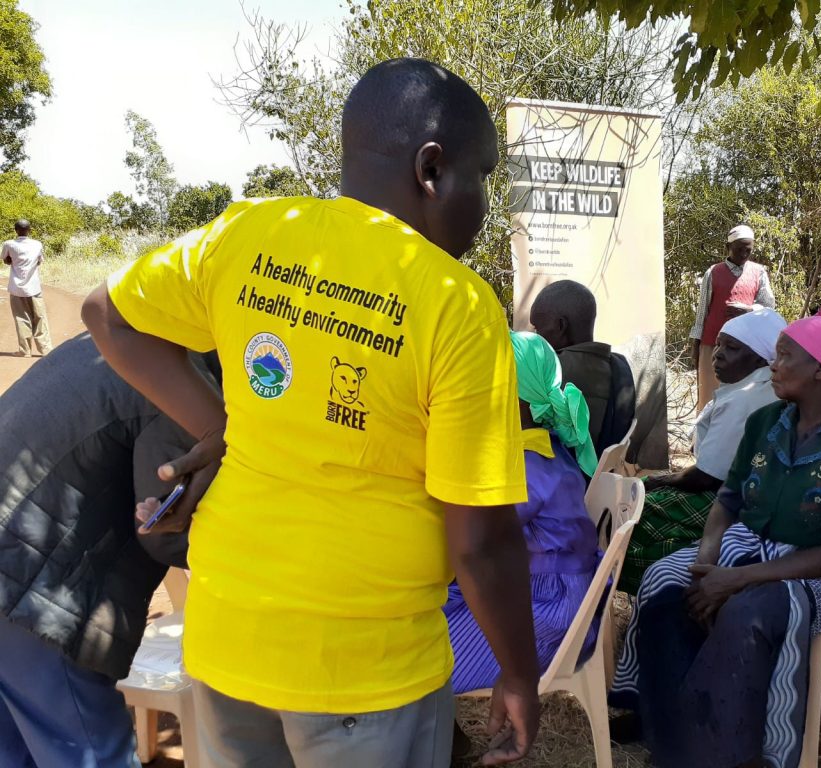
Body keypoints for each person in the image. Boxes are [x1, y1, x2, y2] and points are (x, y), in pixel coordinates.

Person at [82, 59, 540, 767]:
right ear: (433, 170)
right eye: (482, 178)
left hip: (228, 638)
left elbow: (107, 315)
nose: (482, 205)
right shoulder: (456, 304)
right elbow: (481, 542)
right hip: (367, 667)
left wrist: (222, 427)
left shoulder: (246, 233)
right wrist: (517, 674)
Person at [609, 316, 821, 768]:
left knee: (746, 611)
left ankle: (725, 750)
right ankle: (665, 721)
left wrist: (735, 579)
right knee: (665, 581)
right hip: (751, 543)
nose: (773, 366)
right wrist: (707, 561)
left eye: (785, 356)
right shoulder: (766, 421)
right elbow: (727, 499)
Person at [0, 333, 215, 767]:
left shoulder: (122, 339)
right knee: (88, 750)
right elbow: (163, 534)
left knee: (15, 748)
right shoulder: (183, 386)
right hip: (33, 588)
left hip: (17, 559)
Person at [445, 331, 599, 692]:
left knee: (422, 653)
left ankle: (439, 733)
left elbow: (476, 537)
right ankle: (448, 734)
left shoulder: (532, 468)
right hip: (535, 588)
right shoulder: (535, 449)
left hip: (547, 609)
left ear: (519, 401)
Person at [619, 308, 786, 594]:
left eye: (731, 348)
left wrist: (654, 481)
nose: (717, 354)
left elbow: (706, 477)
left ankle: (653, 582)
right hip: (747, 495)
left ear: (760, 358)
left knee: (634, 515)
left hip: (733, 500)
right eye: (719, 344)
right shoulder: (756, 388)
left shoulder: (745, 400)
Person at [529, 279, 636, 456]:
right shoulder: (619, 364)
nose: (536, 337)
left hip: (563, 478)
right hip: (601, 478)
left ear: (561, 326)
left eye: (537, 329)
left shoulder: (554, 372)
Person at [689, 224, 776, 413]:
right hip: (712, 344)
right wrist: (696, 344)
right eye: (739, 249)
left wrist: (749, 309)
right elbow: (702, 310)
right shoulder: (713, 272)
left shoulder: (758, 272)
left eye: (748, 250)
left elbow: (769, 307)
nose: (744, 254)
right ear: (728, 247)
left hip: (745, 347)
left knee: (741, 397)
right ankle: (703, 440)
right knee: (708, 396)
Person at [2, 218, 52, 357]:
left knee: (21, 318)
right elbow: (39, 261)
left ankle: (25, 351)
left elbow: (6, 260)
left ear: (16, 230)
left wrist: (13, 260)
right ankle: (45, 350)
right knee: (40, 317)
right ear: (29, 230)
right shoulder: (37, 244)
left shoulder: (8, 244)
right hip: (34, 287)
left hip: (16, 288)